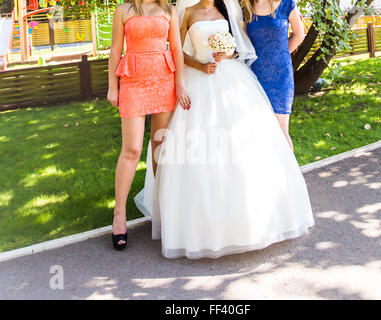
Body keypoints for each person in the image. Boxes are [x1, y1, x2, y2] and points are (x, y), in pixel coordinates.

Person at [135, 0, 314, 259]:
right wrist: (201, 66)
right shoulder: (187, 12)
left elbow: (236, 45)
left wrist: (226, 53)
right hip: (199, 79)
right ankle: (197, 224)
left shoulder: (226, 11)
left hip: (230, 77)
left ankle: (252, 219)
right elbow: (177, 51)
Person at [107, 0, 190, 250]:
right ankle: (119, 213)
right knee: (132, 149)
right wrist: (113, 86)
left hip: (163, 80)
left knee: (160, 148)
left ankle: (163, 210)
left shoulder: (168, 10)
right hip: (133, 81)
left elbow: (176, 49)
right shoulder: (123, 10)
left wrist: (179, 85)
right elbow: (115, 50)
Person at [244, 0, 305, 150]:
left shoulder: (286, 4)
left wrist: (281, 54)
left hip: (281, 76)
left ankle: (289, 173)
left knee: (282, 131)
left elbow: (299, 35)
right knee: (260, 132)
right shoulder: (246, 9)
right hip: (255, 77)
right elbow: (244, 43)